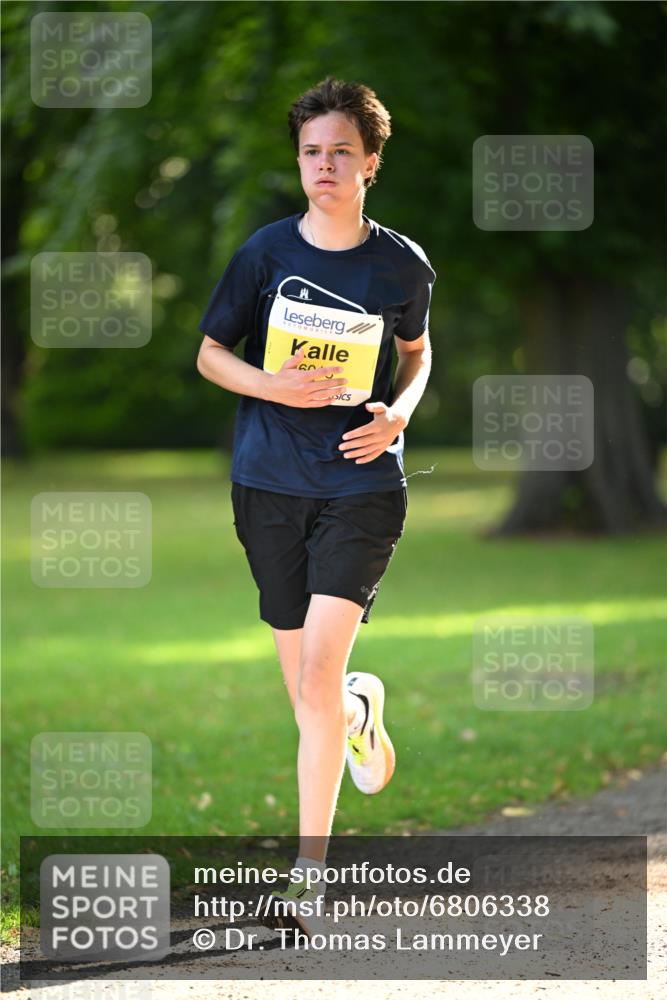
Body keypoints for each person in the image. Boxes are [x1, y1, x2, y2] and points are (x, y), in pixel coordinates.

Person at [196, 76, 435, 936]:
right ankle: (360, 715)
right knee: (308, 691)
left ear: (369, 163)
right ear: (297, 161)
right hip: (266, 485)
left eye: (340, 152)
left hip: (362, 486)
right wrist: (270, 385)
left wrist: (397, 416)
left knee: (317, 674)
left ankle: (308, 878)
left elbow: (417, 352)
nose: (323, 166)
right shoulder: (263, 254)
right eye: (309, 152)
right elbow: (209, 354)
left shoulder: (400, 264)